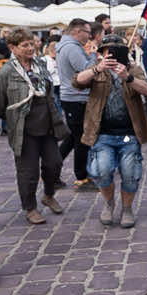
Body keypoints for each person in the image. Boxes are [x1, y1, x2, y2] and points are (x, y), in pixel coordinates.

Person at [74, 35, 147, 228]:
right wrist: (97, 69)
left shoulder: (132, 69)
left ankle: (127, 208)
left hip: (129, 133)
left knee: (130, 173)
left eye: (117, 51)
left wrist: (128, 77)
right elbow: (77, 82)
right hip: (102, 134)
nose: (112, 55)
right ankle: (109, 203)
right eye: (108, 51)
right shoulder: (96, 69)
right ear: (101, 53)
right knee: (102, 171)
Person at [0, 29, 68, 224]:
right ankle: (30, 208)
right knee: (28, 172)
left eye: (32, 44)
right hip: (24, 129)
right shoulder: (7, 71)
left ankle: (49, 195)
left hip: (48, 124)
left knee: (54, 163)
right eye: (25, 45)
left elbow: (49, 91)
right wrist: (13, 120)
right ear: (12, 48)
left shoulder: (40, 64)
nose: (30, 48)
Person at [57, 18, 96, 190]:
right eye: (87, 32)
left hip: (72, 97)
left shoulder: (66, 45)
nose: (89, 36)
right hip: (76, 98)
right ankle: (81, 178)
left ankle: (50, 171)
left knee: (72, 138)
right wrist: (94, 55)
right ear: (77, 31)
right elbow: (86, 69)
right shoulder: (72, 48)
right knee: (81, 139)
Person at [42, 40, 61, 112]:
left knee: (59, 102)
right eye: (53, 50)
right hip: (51, 84)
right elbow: (46, 72)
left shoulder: (59, 58)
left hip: (59, 83)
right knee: (55, 102)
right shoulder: (44, 59)